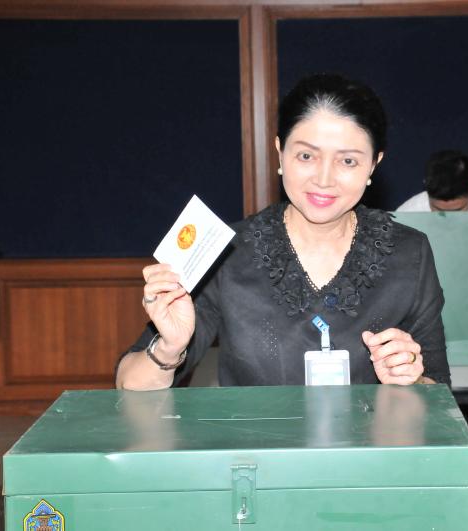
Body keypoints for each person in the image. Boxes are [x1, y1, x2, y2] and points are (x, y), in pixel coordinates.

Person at [116, 73, 450, 392]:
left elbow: (439, 390)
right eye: (306, 156)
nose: (323, 179)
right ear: (280, 152)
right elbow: (128, 386)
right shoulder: (226, 252)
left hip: (370, 436)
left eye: (347, 161)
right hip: (253, 436)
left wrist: (412, 380)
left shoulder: (410, 253)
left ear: (374, 164)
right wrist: (170, 347)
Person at [398, 148, 468, 531]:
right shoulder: (407, 213)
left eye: (457, 210)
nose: (446, 219)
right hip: (423, 343)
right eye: (437, 209)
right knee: (422, 437)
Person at [396, 149, 468, 212]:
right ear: (426, 187)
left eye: (458, 210)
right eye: (439, 211)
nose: (449, 219)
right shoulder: (407, 215)